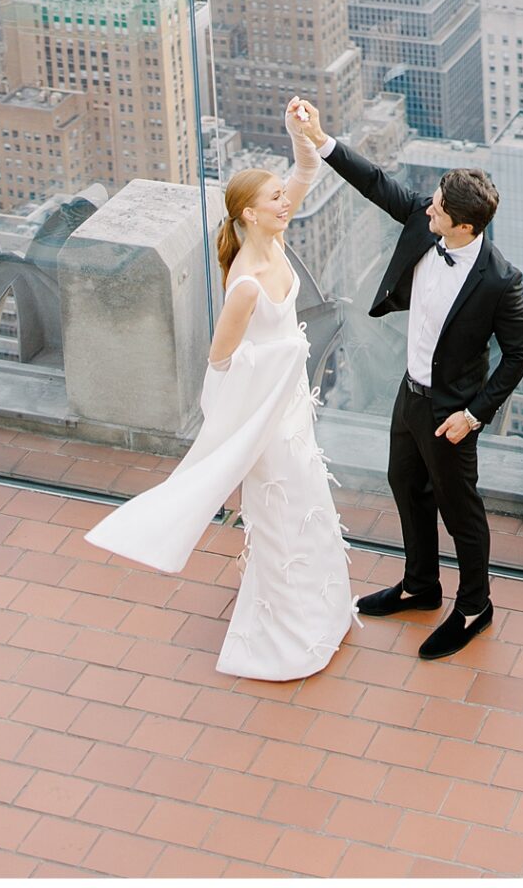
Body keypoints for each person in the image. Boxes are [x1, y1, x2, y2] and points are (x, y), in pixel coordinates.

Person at [286, 94, 523, 660]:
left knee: (460, 511)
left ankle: (474, 606)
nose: (427, 210)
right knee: (405, 486)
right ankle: (421, 586)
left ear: (465, 226)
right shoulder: (427, 225)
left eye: (439, 209)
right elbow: (375, 183)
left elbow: (519, 354)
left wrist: (473, 416)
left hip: (453, 414)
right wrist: (320, 139)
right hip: (409, 395)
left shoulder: (502, 282)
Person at [83, 164, 353, 683]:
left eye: (282, 197)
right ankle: (287, 637)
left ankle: (322, 613)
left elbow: (299, 184)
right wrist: (280, 358)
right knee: (281, 513)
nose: (284, 203)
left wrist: (303, 148)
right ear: (250, 213)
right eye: (274, 199)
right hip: (268, 417)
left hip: (294, 408)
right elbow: (222, 360)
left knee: (310, 504)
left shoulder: (272, 242)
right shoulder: (245, 286)